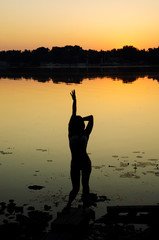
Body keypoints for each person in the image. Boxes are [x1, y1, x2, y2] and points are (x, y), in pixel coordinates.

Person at [65, 90, 94, 209]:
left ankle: (85, 207)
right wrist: (75, 101)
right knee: (76, 188)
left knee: (85, 186)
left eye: (80, 121)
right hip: (76, 163)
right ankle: (68, 205)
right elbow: (73, 113)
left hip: (85, 162)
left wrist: (81, 118)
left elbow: (91, 117)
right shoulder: (72, 133)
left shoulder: (85, 133)